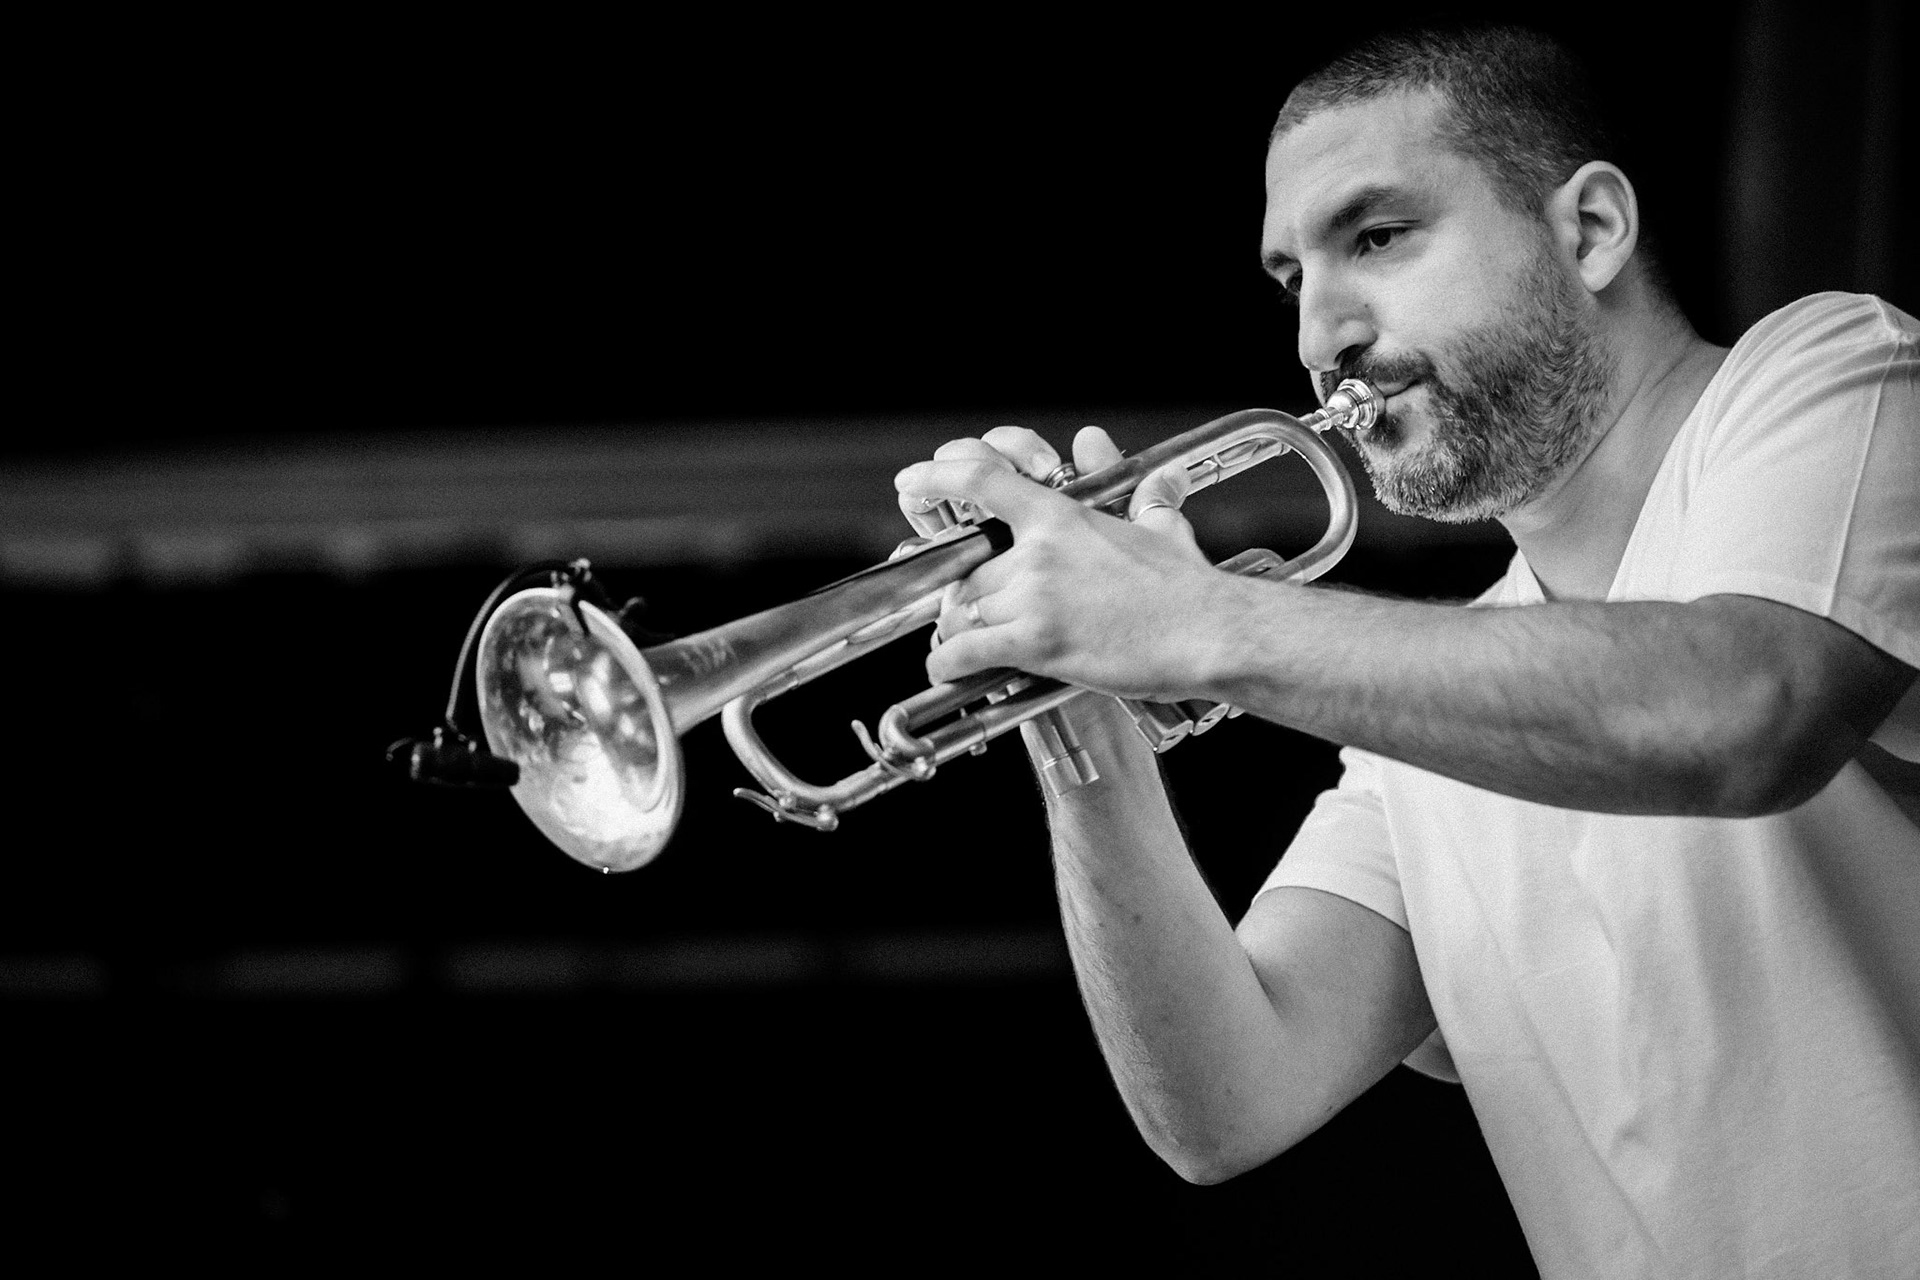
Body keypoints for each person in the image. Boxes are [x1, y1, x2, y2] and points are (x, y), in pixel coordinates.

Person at [892, 24, 1918, 1279]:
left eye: (1377, 237)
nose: (1323, 335)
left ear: (1590, 229)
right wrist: (1077, 705)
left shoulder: (1841, 372)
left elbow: (1744, 708)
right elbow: (1228, 1098)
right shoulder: (1441, 706)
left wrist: (1192, 622)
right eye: (1290, 283)